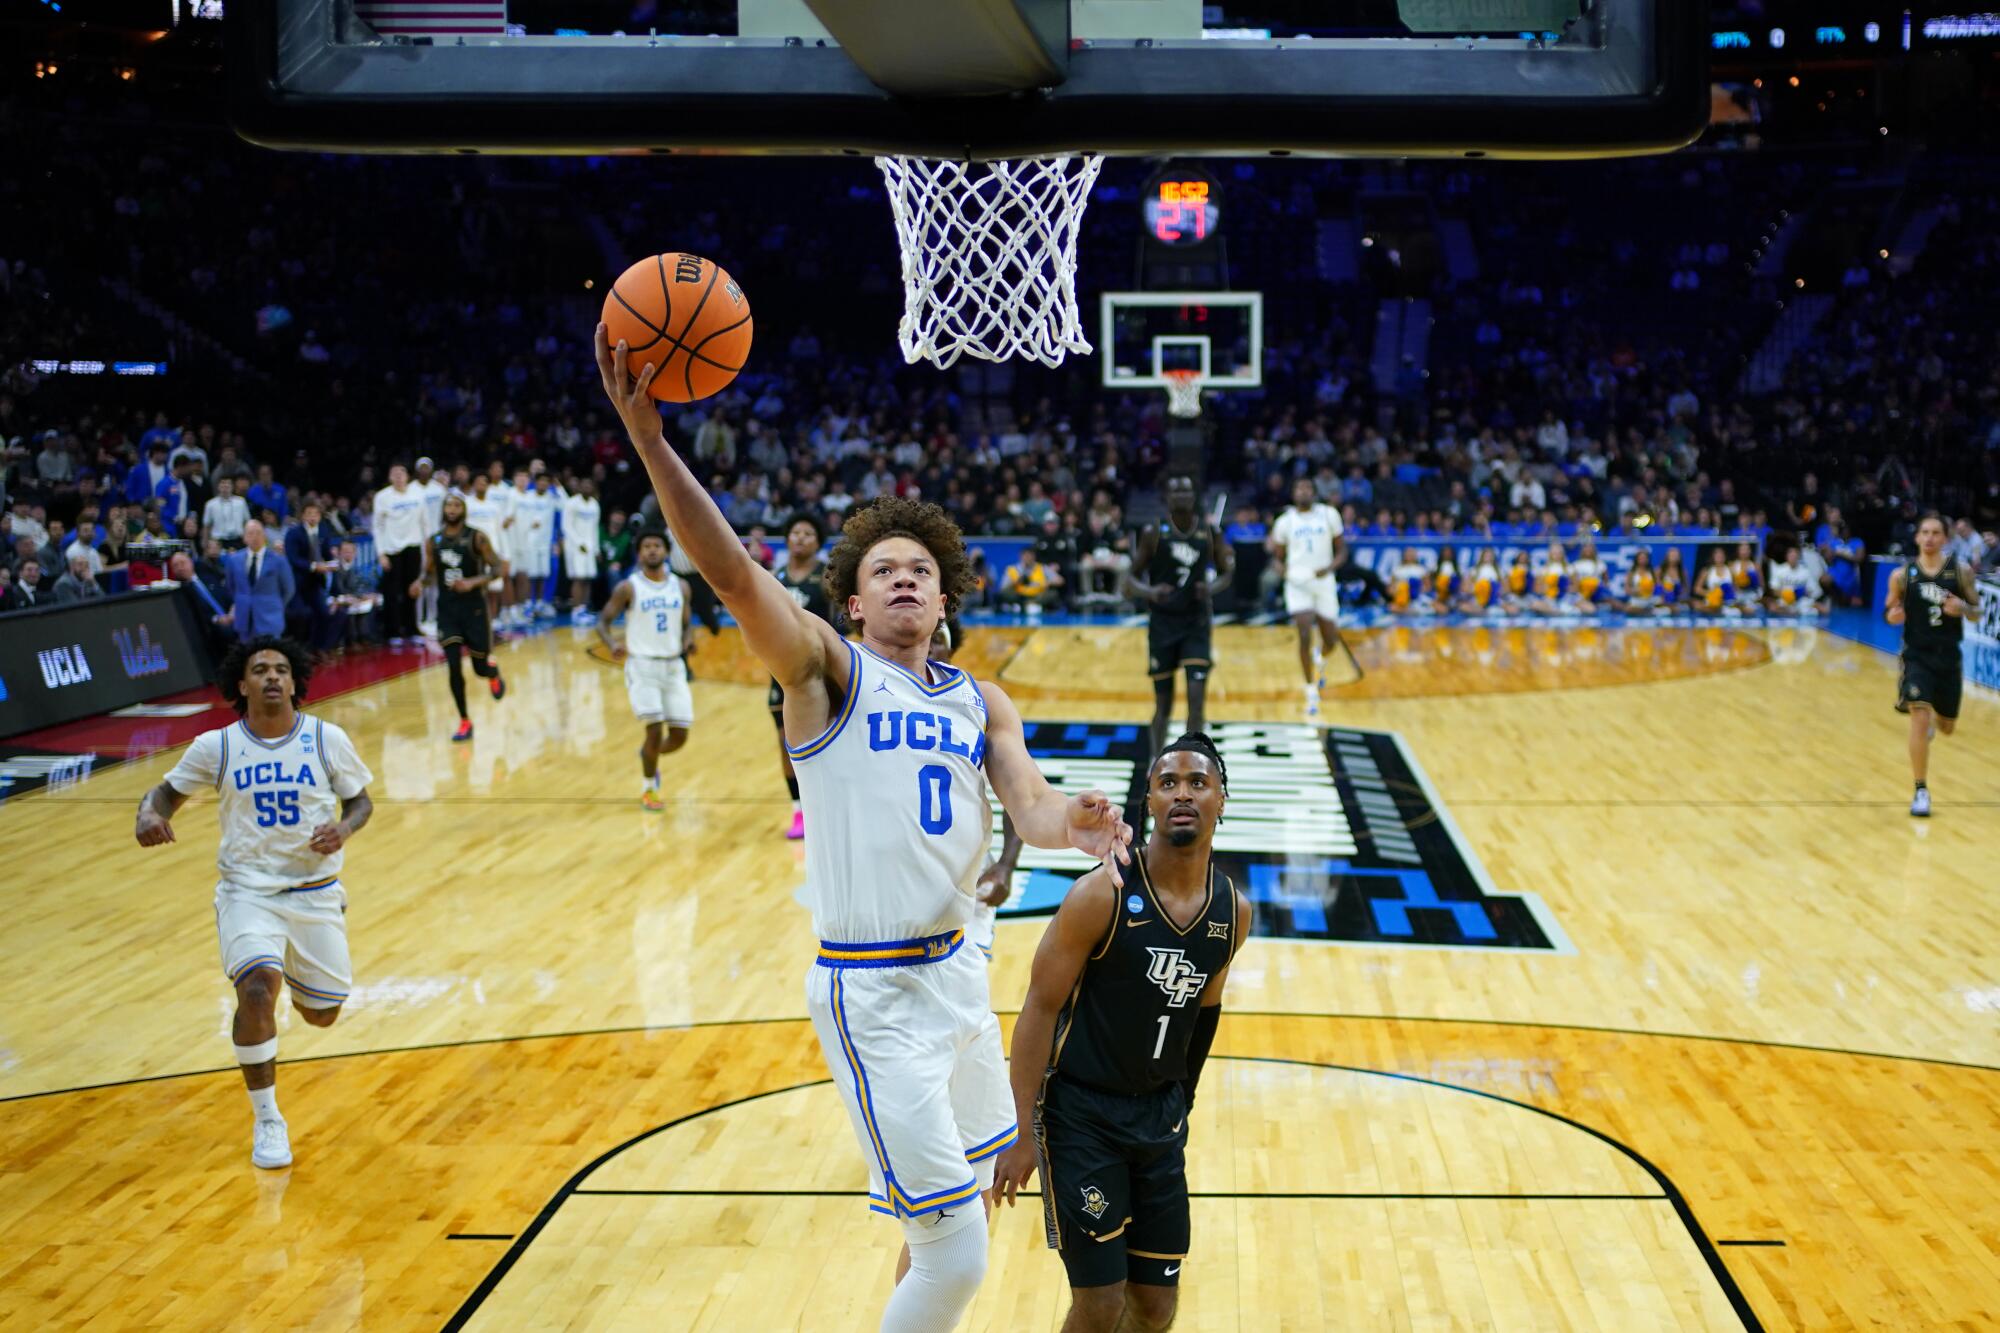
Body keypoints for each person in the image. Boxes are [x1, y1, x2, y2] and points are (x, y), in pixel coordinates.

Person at [597, 327, 1132, 1333]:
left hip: (957, 982)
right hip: (873, 990)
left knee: (955, 1214)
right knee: (957, 1259)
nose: (902, 578)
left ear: (943, 600)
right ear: (849, 599)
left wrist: (1081, 819)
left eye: (919, 570)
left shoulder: (981, 699)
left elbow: (1032, 808)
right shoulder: (825, 670)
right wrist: (653, 443)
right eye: (882, 569)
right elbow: (732, 579)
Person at [993, 733, 1251, 1333]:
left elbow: (1204, 1013)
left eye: (1197, 783)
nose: (1182, 793)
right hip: (1082, 1118)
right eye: (1168, 784)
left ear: (1221, 800)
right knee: (1101, 1304)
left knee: (1156, 1307)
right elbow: (1038, 1009)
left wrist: (1182, 1101)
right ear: (1150, 805)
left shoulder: (1231, 912)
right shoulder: (1100, 896)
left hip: (1158, 1120)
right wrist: (1022, 1129)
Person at [132, 636, 375, 1169]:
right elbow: (161, 795)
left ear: (295, 683)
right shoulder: (216, 746)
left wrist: (344, 828)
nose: (272, 677)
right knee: (258, 990)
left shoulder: (324, 739)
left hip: (314, 892)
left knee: (323, 1015)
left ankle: (294, 963)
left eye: (282, 670)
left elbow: (360, 801)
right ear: (240, 685)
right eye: (260, 669)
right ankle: (268, 1119)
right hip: (248, 892)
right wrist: (148, 816)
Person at [1125, 476, 1233, 759]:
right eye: (1176, 491)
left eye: (1187, 490)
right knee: (1164, 704)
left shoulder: (1208, 532)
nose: (1182, 495)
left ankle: (1191, 757)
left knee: (1196, 700)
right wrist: (1149, 591)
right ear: (1167, 498)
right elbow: (1130, 577)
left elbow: (1226, 571)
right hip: (1162, 624)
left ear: (1194, 495)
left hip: (1196, 623)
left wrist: (1210, 588)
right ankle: (1156, 762)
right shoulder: (1154, 532)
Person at [1884, 514, 1980, 818]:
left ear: (1945, 538)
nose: (1929, 538)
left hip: (1949, 657)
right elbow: (1891, 609)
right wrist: (1893, 617)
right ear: (1917, 538)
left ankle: (1934, 729)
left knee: (1947, 727)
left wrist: (1962, 608)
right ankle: (1921, 790)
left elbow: (1978, 612)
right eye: (1924, 532)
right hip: (1917, 656)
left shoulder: (1961, 572)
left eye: (1935, 533)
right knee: (1919, 715)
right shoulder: (1902, 575)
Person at [595, 528, 694, 810]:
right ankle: (649, 788)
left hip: (674, 666)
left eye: (657, 546)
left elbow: (687, 625)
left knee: (679, 736)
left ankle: (648, 757)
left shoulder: (681, 586)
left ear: (666, 551)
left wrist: (688, 641)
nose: (652, 550)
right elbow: (603, 621)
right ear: (639, 554)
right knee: (654, 729)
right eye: (647, 546)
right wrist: (611, 643)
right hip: (642, 666)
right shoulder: (628, 587)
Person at [417, 492, 509, 742]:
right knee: (454, 667)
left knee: (479, 667)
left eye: (457, 505)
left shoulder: (476, 537)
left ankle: (492, 673)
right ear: (443, 510)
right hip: (447, 610)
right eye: (448, 504)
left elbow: (499, 568)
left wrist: (473, 582)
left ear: (464, 509)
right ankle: (465, 721)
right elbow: (428, 574)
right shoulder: (433, 541)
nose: (452, 509)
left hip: (474, 610)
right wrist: (419, 583)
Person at [770, 513, 835, 839]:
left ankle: (826, 808)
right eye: (795, 532)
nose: (800, 538)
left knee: (824, 742)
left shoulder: (826, 578)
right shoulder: (774, 577)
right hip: (780, 671)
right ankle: (799, 812)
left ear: (818, 542)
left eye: (808, 533)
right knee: (786, 743)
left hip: (818, 671)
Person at [1268, 476, 1345, 719]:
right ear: (1293, 493)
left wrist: (1330, 567)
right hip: (1298, 583)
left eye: (1308, 488)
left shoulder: (1329, 514)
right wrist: (1282, 571)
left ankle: (1320, 657)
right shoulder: (1284, 522)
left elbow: (1342, 550)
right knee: (1303, 633)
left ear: (1314, 492)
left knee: (1331, 638)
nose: (1303, 491)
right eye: (1299, 488)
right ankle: (1311, 689)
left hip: (1323, 581)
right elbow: (1277, 558)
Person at [373, 464, 428, 645]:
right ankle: (393, 632)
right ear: (389, 477)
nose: (398, 476)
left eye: (402, 473)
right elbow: (377, 527)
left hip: (413, 547)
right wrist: (381, 553)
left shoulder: (417, 495)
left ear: (407, 476)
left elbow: (424, 522)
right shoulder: (382, 497)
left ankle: (412, 628)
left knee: (412, 591)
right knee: (392, 592)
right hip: (391, 550)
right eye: (394, 473)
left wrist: (426, 547)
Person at [285, 501, 343, 653]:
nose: (312, 517)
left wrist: (332, 563)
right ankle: (300, 651)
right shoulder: (293, 533)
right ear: (303, 515)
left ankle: (318, 649)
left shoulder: (323, 531)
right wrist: (313, 566)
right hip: (297, 582)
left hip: (316, 582)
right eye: (309, 513)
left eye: (315, 514)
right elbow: (293, 558)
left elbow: (327, 554)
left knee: (323, 614)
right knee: (301, 615)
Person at [224, 520, 295, 638]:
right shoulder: (234, 560)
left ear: (265, 536)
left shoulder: (278, 560)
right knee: (246, 654)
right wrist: (242, 601)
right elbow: (231, 587)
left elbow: (289, 589)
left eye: (258, 533)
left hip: (270, 619)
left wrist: (276, 605)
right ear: (244, 537)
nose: (255, 537)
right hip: (244, 619)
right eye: (250, 533)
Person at [561, 476, 603, 623]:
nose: (587, 488)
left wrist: (596, 549)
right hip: (575, 547)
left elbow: (595, 529)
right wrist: (579, 543)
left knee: (588, 578)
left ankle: (584, 609)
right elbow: (566, 526)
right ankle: (576, 610)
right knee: (579, 578)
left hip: (590, 546)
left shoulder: (594, 505)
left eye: (589, 485)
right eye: (584, 485)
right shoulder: (571, 503)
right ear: (579, 487)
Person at [1768, 545, 1820, 615]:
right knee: (1772, 607)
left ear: (1798, 557)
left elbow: (1812, 590)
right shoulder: (1780, 570)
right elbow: (1774, 589)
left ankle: (1796, 612)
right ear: (1787, 557)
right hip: (1785, 600)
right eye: (1791, 556)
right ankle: (1791, 612)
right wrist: (1787, 594)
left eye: (1795, 556)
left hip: (1801, 600)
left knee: (1822, 608)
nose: (1793, 558)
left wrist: (1800, 592)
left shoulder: (1805, 571)